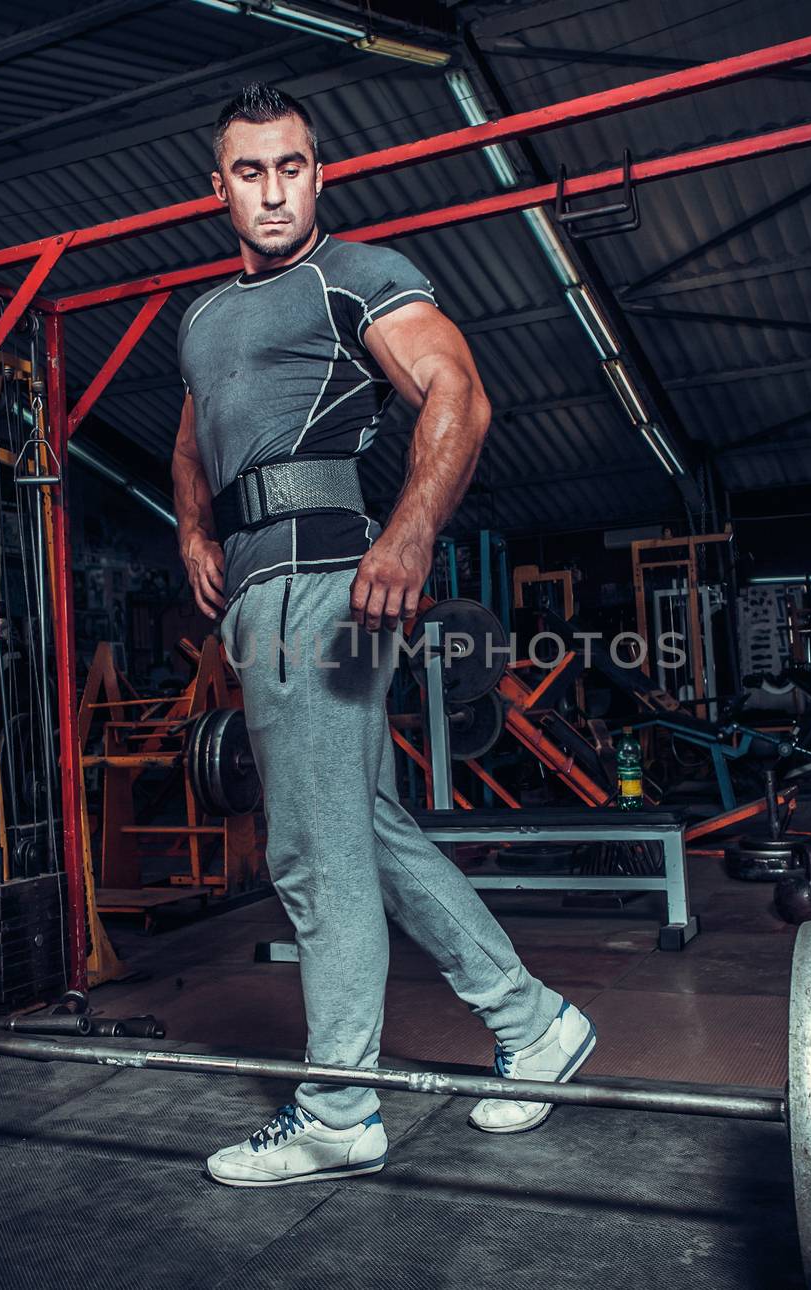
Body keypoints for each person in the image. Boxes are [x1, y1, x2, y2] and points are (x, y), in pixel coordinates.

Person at [172, 84, 595, 1187]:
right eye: (251, 172)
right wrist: (189, 532)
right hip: (261, 593)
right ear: (217, 188)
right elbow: (191, 438)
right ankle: (535, 1024)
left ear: (321, 174)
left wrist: (406, 535)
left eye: (293, 167)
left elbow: (458, 392)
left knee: (311, 853)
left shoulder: (355, 277)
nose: (274, 190)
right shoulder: (204, 318)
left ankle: (338, 1109)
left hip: (332, 581)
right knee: (361, 825)